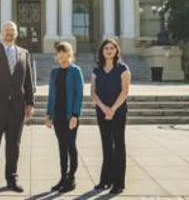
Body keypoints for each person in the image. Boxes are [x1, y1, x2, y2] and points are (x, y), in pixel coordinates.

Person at [0, 21, 34, 194]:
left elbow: (28, 81)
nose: (9, 33)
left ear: (16, 33)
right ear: (1, 33)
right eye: (6, 30)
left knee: (14, 146)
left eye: (12, 31)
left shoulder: (24, 53)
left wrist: (30, 103)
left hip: (17, 109)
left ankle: (11, 179)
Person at [91, 38, 131, 194]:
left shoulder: (123, 69)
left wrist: (112, 109)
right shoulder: (97, 70)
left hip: (119, 112)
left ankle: (118, 183)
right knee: (106, 145)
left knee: (119, 146)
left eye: (112, 48)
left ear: (116, 51)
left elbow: (125, 91)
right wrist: (103, 107)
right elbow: (93, 92)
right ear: (102, 51)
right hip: (102, 112)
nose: (109, 50)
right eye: (106, 48)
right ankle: (105, 180)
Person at [45, 42, 84, 193]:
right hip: (58, 116)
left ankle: (71, 178)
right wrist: (48, 115)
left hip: (70, 116)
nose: (60, 54)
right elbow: (51, 95)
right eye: (58, 52)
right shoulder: (54, 72)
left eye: (63, 51)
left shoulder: (75, 71)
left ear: (69, 54)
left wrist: (75, 115)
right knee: (61, 148)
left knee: (70, 146)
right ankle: (62, 178)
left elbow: (79, 94)